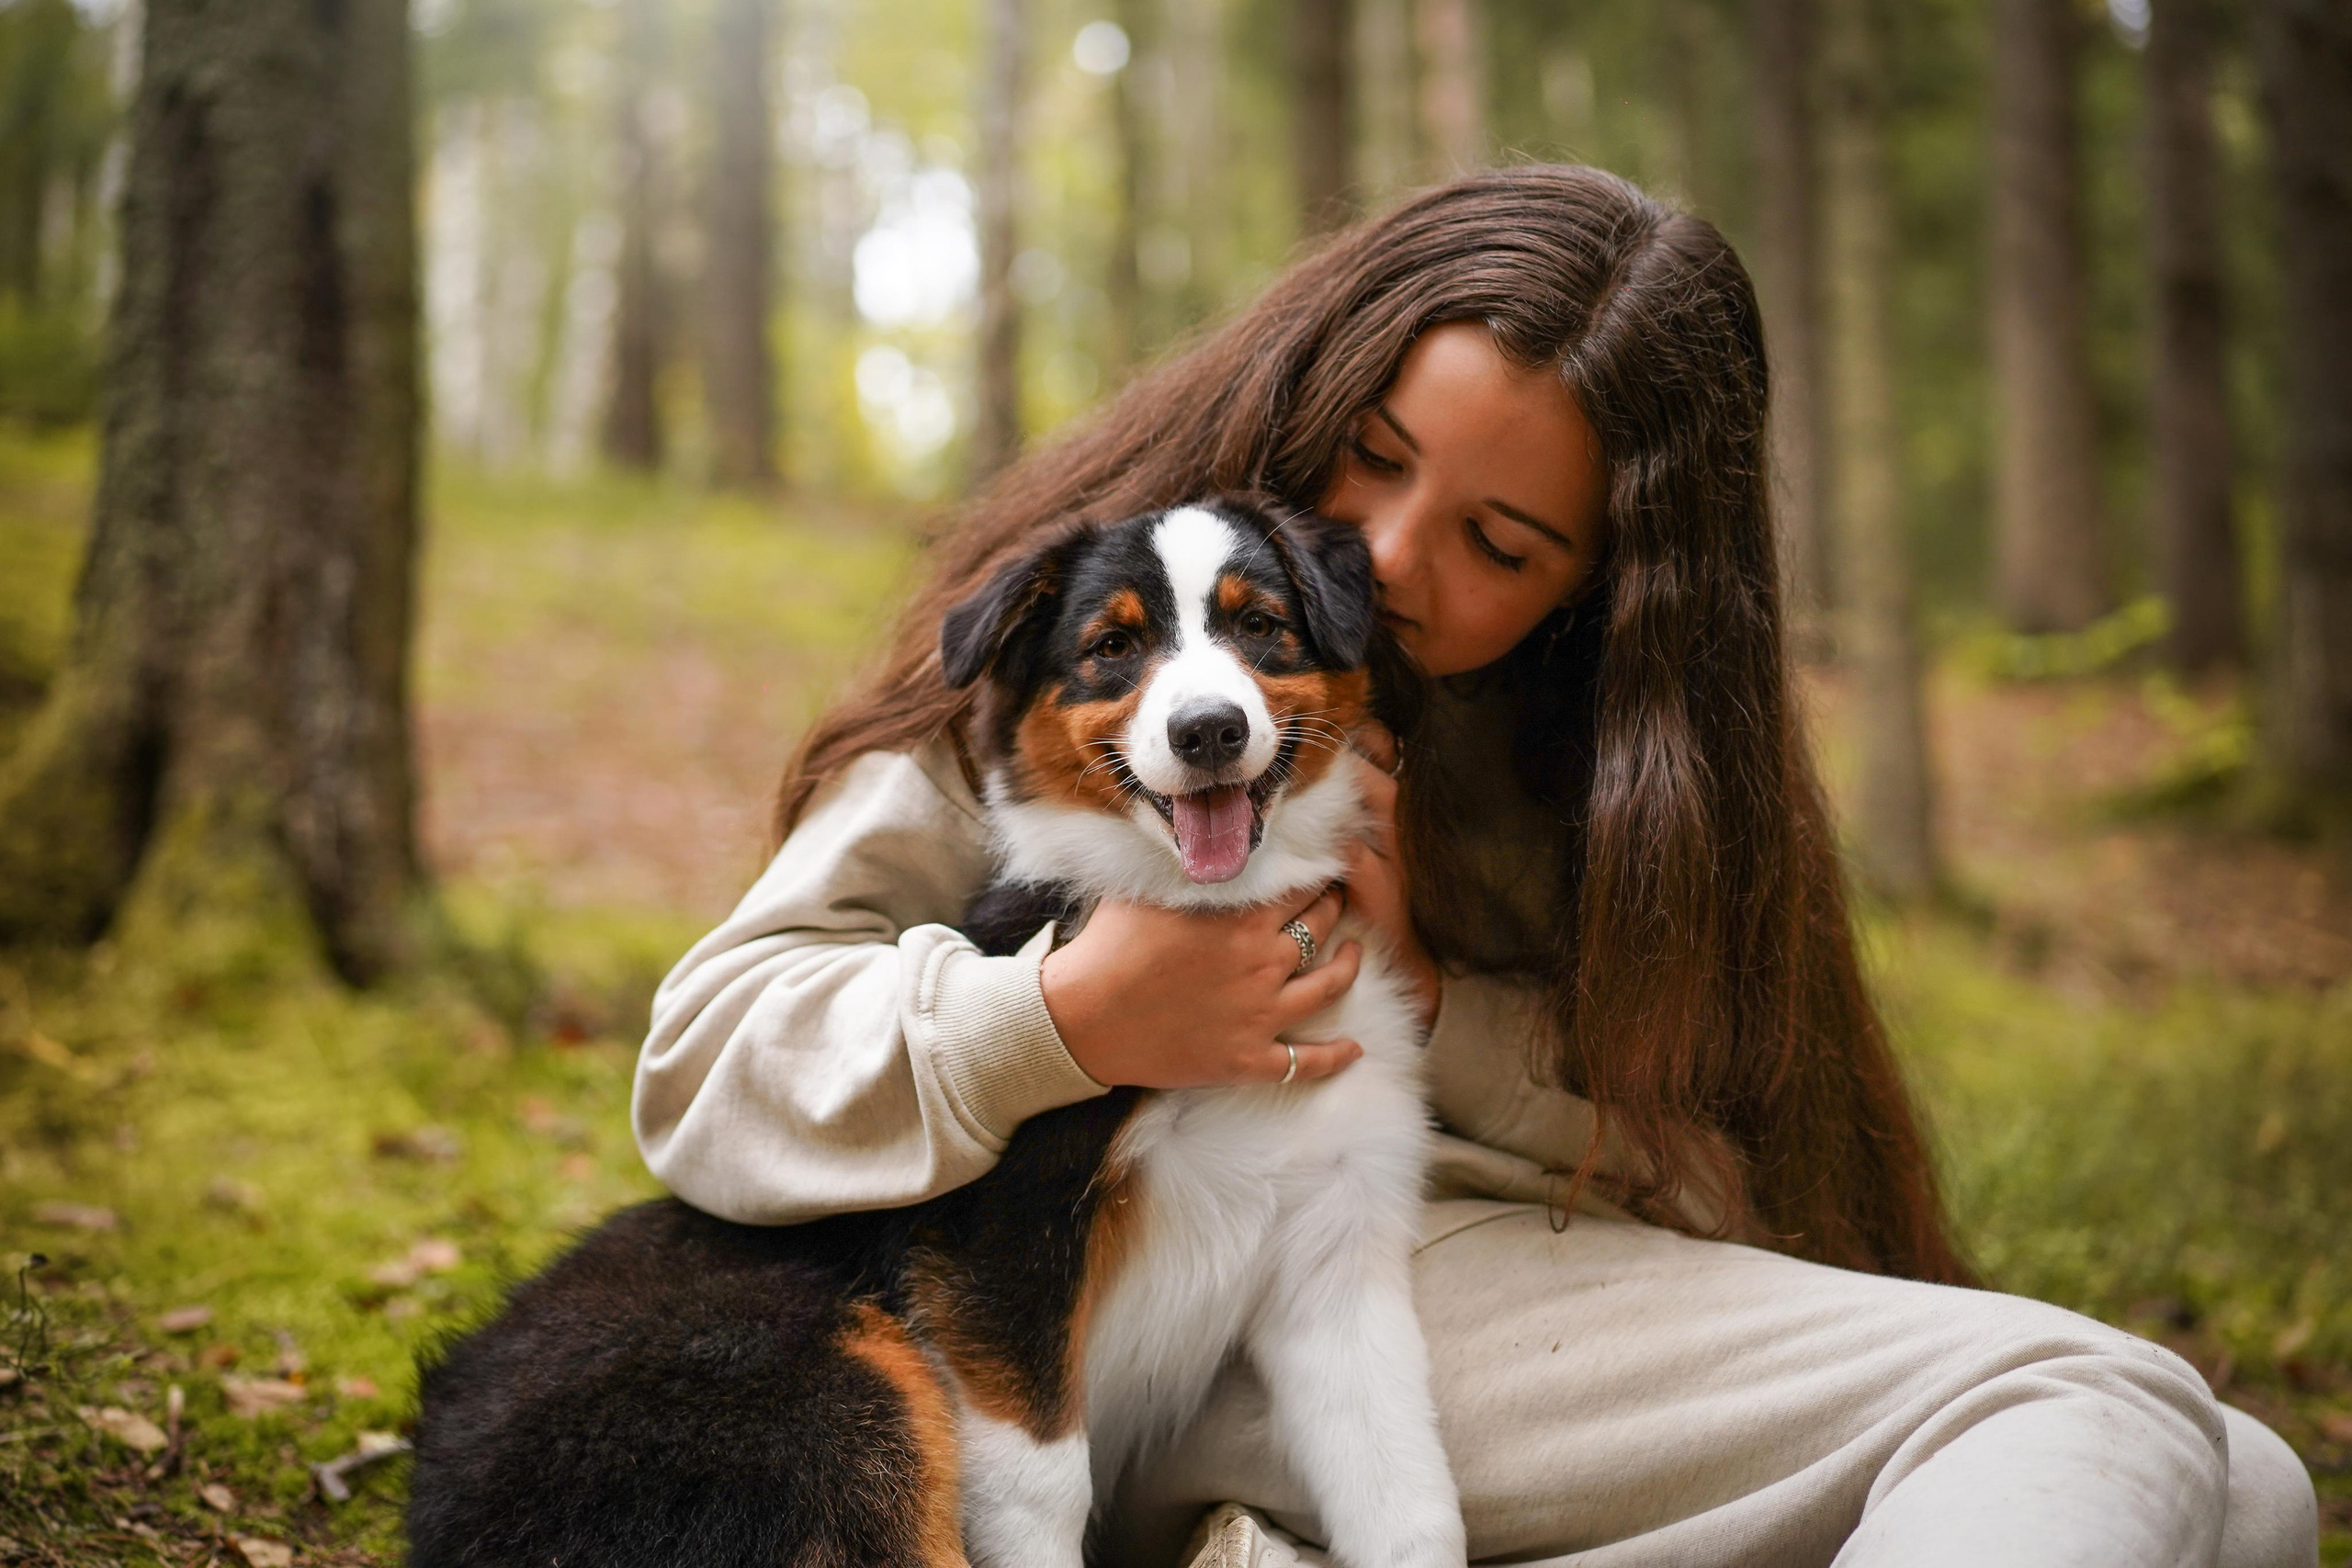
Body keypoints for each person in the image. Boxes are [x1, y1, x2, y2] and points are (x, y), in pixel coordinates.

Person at [632, 165, 2317, 1566]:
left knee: (2245, 1489)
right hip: (1088, 1327)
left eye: (1501, 542)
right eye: (1373, 452)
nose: (1385, 552)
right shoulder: (1095, 669)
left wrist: (1437, 1000)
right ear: (1315, 372)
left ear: (1601, 588)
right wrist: (1061, 1019)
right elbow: (711, 1057)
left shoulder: (1604, 772)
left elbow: (1731, 1180)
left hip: (1441, 1303)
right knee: (2088, 1415)